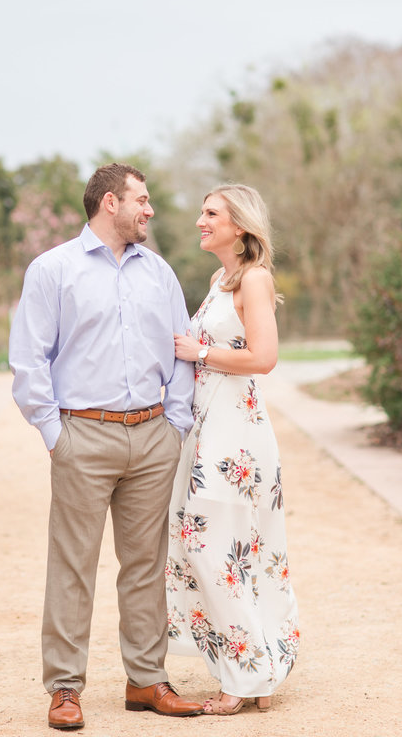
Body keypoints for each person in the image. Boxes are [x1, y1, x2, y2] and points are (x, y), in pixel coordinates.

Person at [9, 162, 202, 730]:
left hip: (152, 437)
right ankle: (65, 688)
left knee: (145, 565)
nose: (149, 210)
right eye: (141, 200)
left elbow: (181, 348)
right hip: (82, 435)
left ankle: (146, 681)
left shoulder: (160, 272)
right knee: (72, 565)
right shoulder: (53, 270)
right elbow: (28, 358)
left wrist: (175, 423)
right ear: (109, 202)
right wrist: (54, 434)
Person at [168, 183, 299, 715]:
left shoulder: (256, 278)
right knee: (226, 550)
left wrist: (199, 350)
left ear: (239, 224)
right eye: (202, 211)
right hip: (208, 429)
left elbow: (264, 357)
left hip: (235, 437)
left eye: (211, 213)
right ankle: (256, 668)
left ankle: (244, 676)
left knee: (216, 550)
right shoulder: (218, 281)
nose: (201, 220)